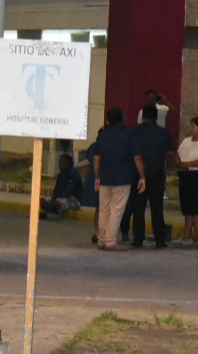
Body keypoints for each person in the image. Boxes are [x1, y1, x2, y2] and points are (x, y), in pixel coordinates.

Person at [92, 108, 145, 251]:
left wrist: (97, 176)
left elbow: (96, 159)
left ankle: (101, 239)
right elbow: (137, 157)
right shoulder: (128, 135)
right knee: (117, 209)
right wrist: (142, 176)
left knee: (104, 209)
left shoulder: (102, 136)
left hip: (105, 178)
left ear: (108, 120)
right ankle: (110, 241)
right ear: (123, 118)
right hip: (122, 178)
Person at [126, 104, 174, 248]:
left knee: (138, 206)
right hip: (157, 172)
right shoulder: (164, 133)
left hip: (138, 172)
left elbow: (131, 152)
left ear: (143, 116)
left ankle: (138, 238)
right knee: (156, 206)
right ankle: (159, 239)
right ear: (156, 116)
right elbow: (171, 153)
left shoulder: (134, 131)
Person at [174, 117, 198, 245]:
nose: (190, 128)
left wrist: (185, 164)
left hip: (197, 175)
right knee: (186, 204)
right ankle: (186, 234)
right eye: (190, 126)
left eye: (193, 126)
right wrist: (178, 162)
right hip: (185, 175)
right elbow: (178, 154)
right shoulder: (186, 141)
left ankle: (195, 235)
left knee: (195, 204)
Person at [40, 154, 83, 220]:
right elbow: (56, 189)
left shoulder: (73, 173)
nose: (60, 165)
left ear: (69, 163)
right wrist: (53, 198)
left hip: (72, 200)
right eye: (59, 163)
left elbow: (68, 191)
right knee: (42, 200)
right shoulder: (60, 175)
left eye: (62, 162)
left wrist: (56, 199)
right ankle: (51, 212)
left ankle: (51, 213)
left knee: (56, 203)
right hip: (60, 198)